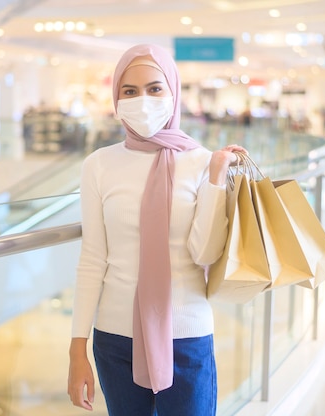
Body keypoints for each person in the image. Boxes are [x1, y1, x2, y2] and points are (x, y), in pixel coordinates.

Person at [67, 43, 246, 416]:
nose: (142, 100)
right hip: (116, 340)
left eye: (154, 88)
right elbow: (92, 259)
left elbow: (205, 252)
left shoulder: (200, 162)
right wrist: (77, 349)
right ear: (116, 98)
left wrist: (215, 177)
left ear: (173, 92)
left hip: (187, 336)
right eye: (129, 91)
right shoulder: (99, 165)